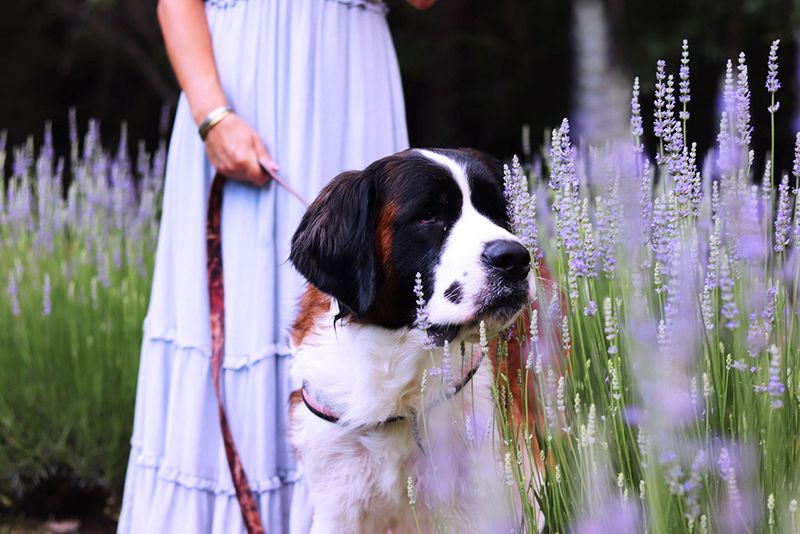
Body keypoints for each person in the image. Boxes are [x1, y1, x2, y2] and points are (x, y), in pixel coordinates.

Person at [117, 0, 437, 532]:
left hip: (351, 82)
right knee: (239, 310)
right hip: (241, 83)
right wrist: (212, 114)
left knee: (366, 307)